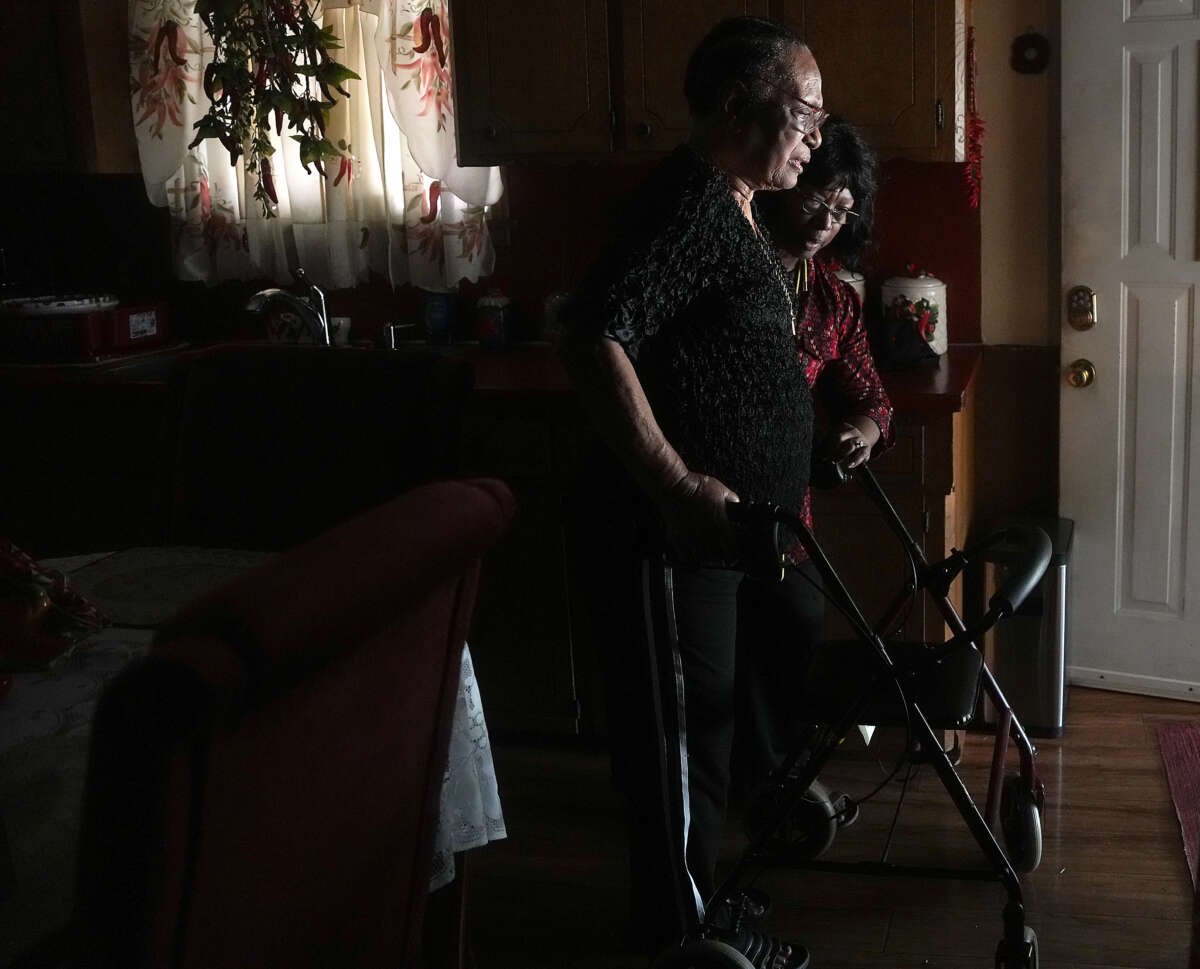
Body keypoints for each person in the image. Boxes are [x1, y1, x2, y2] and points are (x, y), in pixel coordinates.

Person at [558, 16, 825, 969]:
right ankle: (678, 939)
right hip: (663, 536)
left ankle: (701, 906)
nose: (815, 134)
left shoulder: (738, 209)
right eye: (804, 111)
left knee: (711, 734)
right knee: (677, 747)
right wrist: (676, 481)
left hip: (724, 540)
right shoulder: (688, 205)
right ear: (737, 105)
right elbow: (594, 333)